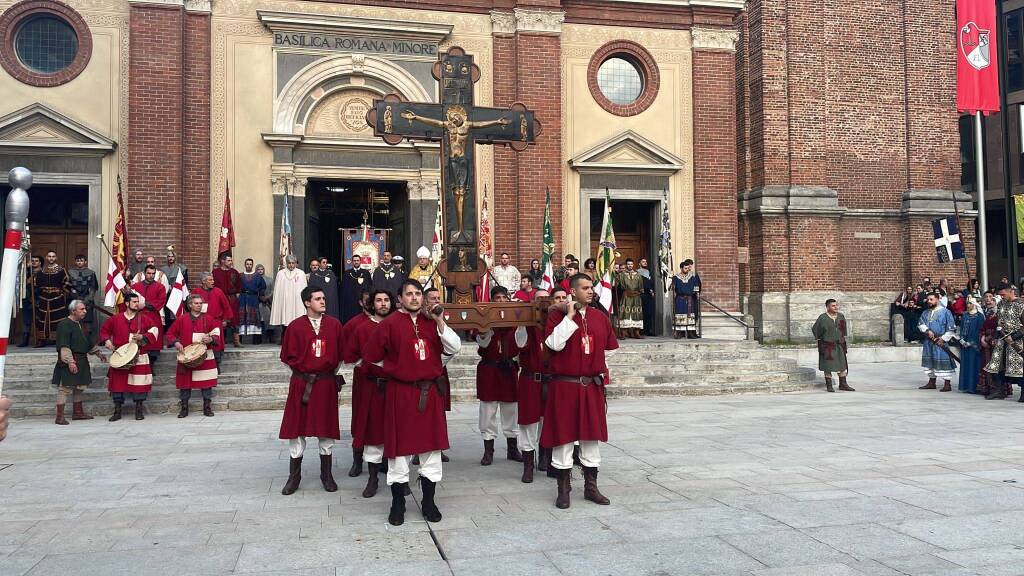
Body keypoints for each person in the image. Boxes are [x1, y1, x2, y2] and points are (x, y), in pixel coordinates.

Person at [363, 279, 461, 526]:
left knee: (431, 450)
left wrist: (440, 321)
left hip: (429, 395)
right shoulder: (389, 324)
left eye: (418, 293)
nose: (415, 298)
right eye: (409, 294)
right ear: (400, 299)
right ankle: (398, 503)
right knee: (399, 453)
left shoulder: (432, 323)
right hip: (401, 394)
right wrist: (395, 369)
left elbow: (454, 347)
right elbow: (371, 356)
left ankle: (429, 502)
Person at [541, 273, 617, 509]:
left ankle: (591, 488)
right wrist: (570, 317)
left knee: (590, 438)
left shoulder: (599, 317)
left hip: (591, 386)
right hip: (565, 386)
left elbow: (611, 348)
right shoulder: (556, 316)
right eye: (585, 288)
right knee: (563, 439)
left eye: (591, 287)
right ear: (573, 292)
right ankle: (563, 490)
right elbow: (553, 344)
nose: (591, 291)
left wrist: (598, 366)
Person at [279, 286, 346, 495]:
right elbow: (287, 358)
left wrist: (325, 374)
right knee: (297, 430)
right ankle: (294, 477)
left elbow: (340, 356)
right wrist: (305, 374)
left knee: (325, 430)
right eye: (318, 299)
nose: (323, 301)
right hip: (302, 384)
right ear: (307, 302)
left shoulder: (335, 325)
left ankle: (326, 475)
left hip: (325, 384)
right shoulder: (295, 327)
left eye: (323, 298)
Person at [349, 290, 393, 498]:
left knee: (396, 432)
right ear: (372, 304)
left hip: (396, 387)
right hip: (372, 386)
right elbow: (352, 355)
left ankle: (398, 479)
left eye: (386, 300)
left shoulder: (398, 325)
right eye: (379, 300)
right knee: (374, 432)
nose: (383, 304)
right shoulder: (362, 328)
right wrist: (371, 365)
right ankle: (373, 478)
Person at [475, 286, 522, 466]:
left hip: (508, 369)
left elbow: (521, 342)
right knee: (488, 411)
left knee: (511, 410)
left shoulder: (515, 320)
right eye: (497, 297)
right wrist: (489, 324)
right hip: (490, 370)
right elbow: (482, 342)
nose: (500, 300)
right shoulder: (483, 319)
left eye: (504, 297)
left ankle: (512, 448)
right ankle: (489, 450)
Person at [99, 292, 160, 421]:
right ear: (127, 303)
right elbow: (104, 331)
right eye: (134, 302)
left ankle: (139, 410)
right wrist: (107, 340)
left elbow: (155, 330)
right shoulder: (116, 319)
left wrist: (143, 336)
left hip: (139, 355)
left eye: (138, 302)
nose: (137, 304)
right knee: (117, 384)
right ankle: (117, 411)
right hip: (121, 355)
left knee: (139, 384)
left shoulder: (144, 318)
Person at [513, 288, 552, 483]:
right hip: (530, 379)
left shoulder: (555, 324)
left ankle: (545, 456)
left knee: (547, 421)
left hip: (550, 380)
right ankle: (528, 463)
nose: (543, 304)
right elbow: (521, 344)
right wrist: (522, 321)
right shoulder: (527, 326)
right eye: (539, 300)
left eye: (546, 299)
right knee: (528, 423)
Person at [51, 300, 106, 424]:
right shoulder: (64, 324)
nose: (85, 311)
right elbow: (64, 345)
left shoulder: (81, 324)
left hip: (82, 360)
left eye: (85, 309)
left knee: (79, 387)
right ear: (73, 311)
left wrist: (98, 354)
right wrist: (70, 362)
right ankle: (59, 417)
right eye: (82, 309)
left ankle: (78, 413)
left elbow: (87, 342)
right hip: (71, 359)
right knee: (65, 388)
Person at [166, 294, 221, 418]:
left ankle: (207, 407)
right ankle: (184, 408)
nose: (199, 305)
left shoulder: (209, 319)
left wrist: (211, 338)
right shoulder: (182, 319)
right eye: (196, 303)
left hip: (205, 355)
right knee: (185, 384)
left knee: (206, 383)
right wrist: (176, 342)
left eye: (201, 303)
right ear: (190, 305)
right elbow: (170, 334)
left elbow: (217, 333)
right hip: (187, 355)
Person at [342, 290, 373, 477]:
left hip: (385, 379)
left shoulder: (388, 322)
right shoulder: (354, 324)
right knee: (361, 417)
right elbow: (346, 351)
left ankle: (384, 460)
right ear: (361, 303)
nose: (372, 304)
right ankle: (357, 459)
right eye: (368, 301)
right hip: (363, 378)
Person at [983, 282, 1024, 400]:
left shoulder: (1021, 305)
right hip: (1002, 339)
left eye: (1003, 294)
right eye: (1000, 295)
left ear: (1011, 291)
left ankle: (1023, 393)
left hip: (1018, 342)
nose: (1001, 297)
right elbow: (999, 323)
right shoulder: (1001, 304)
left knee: (1019, 367)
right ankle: (999, 390)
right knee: (997, 366)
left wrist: (1015, 337)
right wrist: (996, 336)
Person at [918, 291, 957, 392]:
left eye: (931, 299)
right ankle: (932, 382)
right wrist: (927, 330)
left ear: (937, 299)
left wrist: (943, 339)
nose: (929, 301)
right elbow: (920, 323)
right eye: (928, 300)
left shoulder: (946, 312)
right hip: (929, 342)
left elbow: (951, 328)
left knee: (943, 361)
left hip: (940, 341)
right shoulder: (925, 312)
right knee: (930, 361)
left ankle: (947, 384)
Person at [811, 299, 852, 392]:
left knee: (842, 364)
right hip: (827, 345)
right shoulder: (822, 318)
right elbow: (816, 330)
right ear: (828, 307)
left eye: (836, 305)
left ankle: (843, 384)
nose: (836, 307)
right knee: (828, 366)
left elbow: (843, 330)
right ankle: (829, 385)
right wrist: (821, 341)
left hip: (839, 345)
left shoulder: (841, 316)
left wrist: (843, 341)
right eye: (833, 306)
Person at [193, 272, 233, 367]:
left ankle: (217, 364)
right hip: (200, 323)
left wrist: (225, 320)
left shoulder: (218, 291)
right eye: (210, 280)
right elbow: (190, 306)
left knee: (216, 345)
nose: (213, 282)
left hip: (216, 323)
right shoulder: (196, 292)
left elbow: (226, 307)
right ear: (203, 281)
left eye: (213, 279)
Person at [130, 264, 167, 366]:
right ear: (144, 273)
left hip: (153, 318)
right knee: (139, 342)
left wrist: (145, 304)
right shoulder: (136, 287)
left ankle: (151, 366)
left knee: (153, 343)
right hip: (139, 319)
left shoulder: (160, 287)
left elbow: (160, 301)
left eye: (153, 274)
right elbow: (130, 300)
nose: (151, 275)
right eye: (149, 273)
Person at [33, 250, 71, 347]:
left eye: (53, 256)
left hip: (57, 299)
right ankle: (42, 340)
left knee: (58, 319)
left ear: (56, 258)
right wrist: (38, 294)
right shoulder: (41, 271)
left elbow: (67, 283)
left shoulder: (62, 270)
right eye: (49, 256)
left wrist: (63, 292)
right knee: (42, 319)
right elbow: (36, 284)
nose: (51, 258)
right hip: (43, 299)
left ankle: (58, 339)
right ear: (46, 258)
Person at [271, 256, 307, 334]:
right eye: (289, 263)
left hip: (297, 302)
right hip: (285, 301)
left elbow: (304, 290)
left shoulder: (301, 273)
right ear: (286, 263)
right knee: (285, 319)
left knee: (297, 319)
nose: (291, 265)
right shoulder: (281, 273)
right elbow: (278, 290)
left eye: (293, 263)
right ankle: (284, 338)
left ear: (296, 263)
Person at [213, 255, 243, 348]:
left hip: (232, 299)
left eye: (231, 260)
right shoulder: (215, 272)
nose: (231, 262)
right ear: (223, 261)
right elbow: (213, 285)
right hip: (220, 298)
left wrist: (237, 293)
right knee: (220, 319)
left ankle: (236, 341)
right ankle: (220, 341)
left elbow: (238, 284)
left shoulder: (234, 272)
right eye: (228, 260)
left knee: (234, 319)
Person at [958, 297, 984, 394]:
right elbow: (961, 329)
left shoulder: (979, 316)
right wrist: (961, 339)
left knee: (974, 365)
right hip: (964, 344)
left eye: (970, 303)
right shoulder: (965, 315)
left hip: (974, 346)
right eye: (967, 303)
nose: (968, 305)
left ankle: (973, 387)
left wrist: (971, 342)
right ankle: (965, 386)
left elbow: (980, 331)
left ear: (974, 304)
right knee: (965, 365)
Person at [67, 255, 98, 333]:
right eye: (77, 261)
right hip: (73, 299)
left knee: (87, 320)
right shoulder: (70, 272)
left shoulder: (91, 273)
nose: (79, 262)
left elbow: (93, 287)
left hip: (86, 300)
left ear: (85, 262)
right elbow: (67, 286)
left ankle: (87, 339)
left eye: (81, 260)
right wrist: (74, 296)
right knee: (73, 318)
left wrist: (88, 299)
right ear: (75, 262)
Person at [671, 259, 701, 339]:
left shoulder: (692, 277)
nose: (687, 270)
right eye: (685, 268)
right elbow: (673, 288)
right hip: (680, 299)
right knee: (680, 315)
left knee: (690, 316)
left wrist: (696, 293)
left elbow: (696, 287)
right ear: (681, 268)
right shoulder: (676, 278)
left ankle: (691, 333)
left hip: (689, 299)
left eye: (688, 268)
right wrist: (672, 285)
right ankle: (679, 333)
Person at [161, 248, 188, 333]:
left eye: (172, 256)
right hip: (167, 294)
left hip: (177, 294)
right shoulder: (163, 270)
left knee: (176, 313)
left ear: (175, 257)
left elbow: (185, 282)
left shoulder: (181, 268)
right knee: (168, 313)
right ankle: (169, 332)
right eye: (169, 256)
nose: (170, 258)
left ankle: (178, 332)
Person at [239, 258, 267, 341]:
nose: (249, 266)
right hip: (243, 298)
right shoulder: (240, 276)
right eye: (247, 264)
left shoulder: (257, 276)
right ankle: (240, 340)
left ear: (252, 265)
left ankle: (256, 340)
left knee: (255, 317)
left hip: (253, 299)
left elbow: (263, 287)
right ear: (245, 265)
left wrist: (259, 295)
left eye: (250, 264)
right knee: (242, 317)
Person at [616, 258, 645, 339]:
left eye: (631, 264)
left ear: (633, 265)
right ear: (626, 265)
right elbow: (617, 285)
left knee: (636, 313)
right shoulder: (621, 275)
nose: (630, 266)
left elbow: (641, 286)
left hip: (636, 296)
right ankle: (623, 333)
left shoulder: (638, 274)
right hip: (626, 295)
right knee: (625, 313)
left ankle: (637, 332)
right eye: (628, 264)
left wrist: (640, 292)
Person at [341, 256, 372, 323]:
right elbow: (343, 290)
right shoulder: (347, 273)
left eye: (357, 260)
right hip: (350, 302)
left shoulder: (366, 273)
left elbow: (370, 287)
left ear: (360, 261)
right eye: (354, 261)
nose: (356, 262)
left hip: (362, 302)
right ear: (352, 262)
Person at [17, 254, 40, 347]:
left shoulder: (43, 273)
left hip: (38, 299)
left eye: (36, 260)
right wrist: (27, 269)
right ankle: (25, 339)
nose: (34, 262)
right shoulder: (26, 272)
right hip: (27, 299)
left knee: (38, 320)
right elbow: (21, 283)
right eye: (32, 260)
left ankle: (39, 339)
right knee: (26, 320)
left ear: (40, 262)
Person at [638, 258, 655, 337]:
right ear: (639, 263)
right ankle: (641, 330)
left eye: (646, 261)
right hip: (642, 294)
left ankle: (649, 330)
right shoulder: (637, 272)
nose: (645, 263)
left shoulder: (649, 272)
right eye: (643, 262)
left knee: (649, 313)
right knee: (642, 313)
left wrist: (652, 290)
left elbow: (651, 283)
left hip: (649, 295)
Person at [256, 264, 273, 344]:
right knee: (259, 321)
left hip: (267, 303)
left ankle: (270, 339)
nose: (260, 271)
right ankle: (259, 340)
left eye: (261, 269)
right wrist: (260, 298)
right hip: (257, 303)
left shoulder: (269, 280)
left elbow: (273, 291)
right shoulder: (254, 279)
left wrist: (266, 297)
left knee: (268, 321)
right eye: (258, 269)